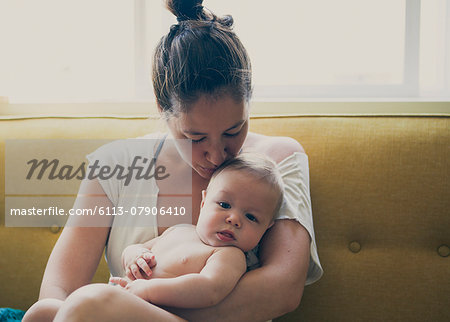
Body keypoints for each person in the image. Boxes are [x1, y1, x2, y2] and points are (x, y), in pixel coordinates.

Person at [23, 0, 323, 321]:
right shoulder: (114, 164)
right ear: (162, 111)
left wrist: (130, 303)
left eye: (234, 130)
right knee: (45, 311)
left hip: (117, 310)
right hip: (109, 310)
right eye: (195, 138)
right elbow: (58, 292)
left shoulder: (277, 161)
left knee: (90, 303)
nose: (217, 154)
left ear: (249, 104)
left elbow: (283, 290)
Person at [109, 153, 283, 312]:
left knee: (92, 300)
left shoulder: (229, 255)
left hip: (146, 309)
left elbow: (209, 289)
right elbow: (138, 248)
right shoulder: (178, 230)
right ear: (203, 202)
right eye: (224, 205)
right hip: (122, 299)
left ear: (267, 227)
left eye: (251, 217)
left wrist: (148, 290)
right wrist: (134, 255)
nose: (234, 219)